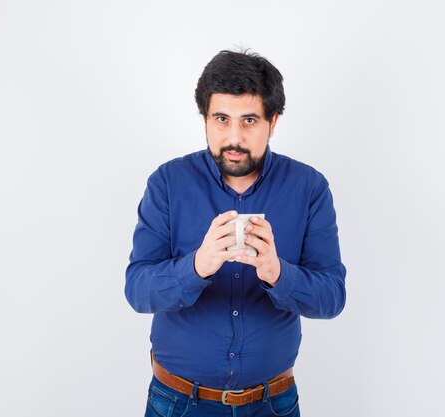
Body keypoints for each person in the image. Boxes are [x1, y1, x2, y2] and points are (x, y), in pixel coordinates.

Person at [125, 49, 346, 417]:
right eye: (222, 119)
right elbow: (137, 290)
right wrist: (196, 266)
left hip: (272, 405)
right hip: (177, 403)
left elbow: (332, 297)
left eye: (249, 121)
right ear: (206, 120)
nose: (234, 137)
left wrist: (278, 274)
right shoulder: (167, 183)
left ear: (272, 122)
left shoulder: (309, 188)